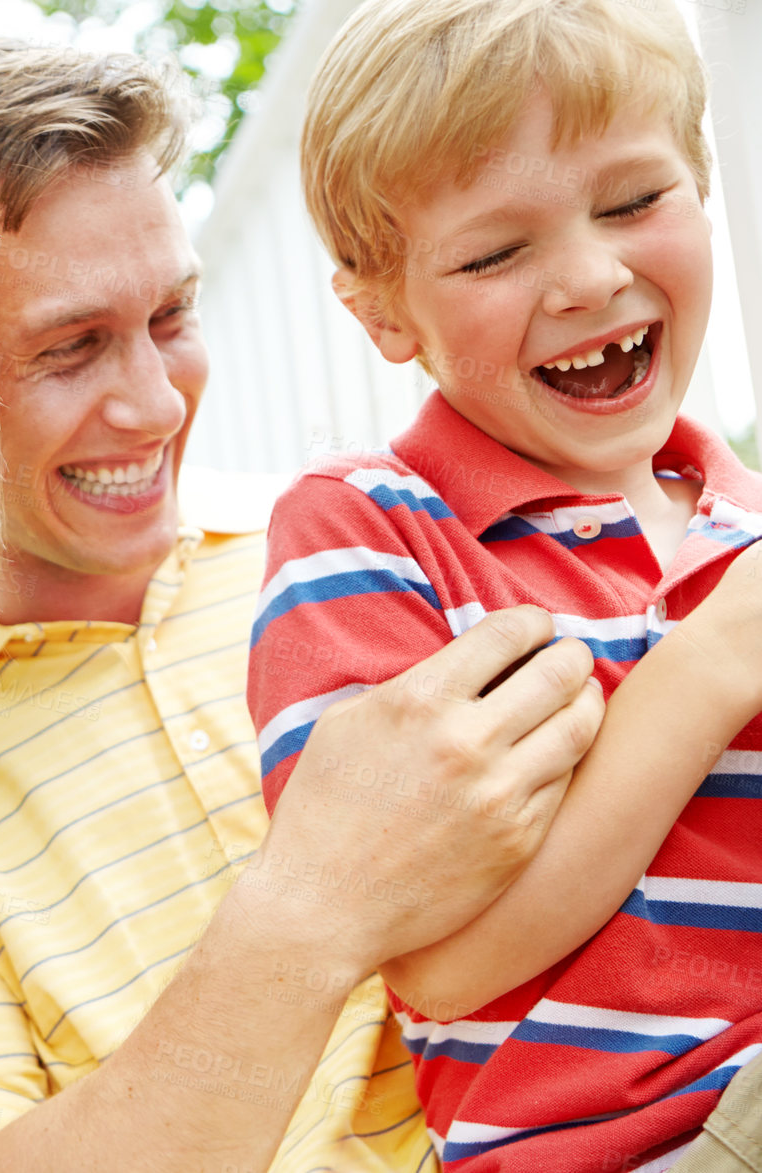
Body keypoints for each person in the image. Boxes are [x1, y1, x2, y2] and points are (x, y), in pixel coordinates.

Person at [0, 37, 606, 1173]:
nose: (155, 402)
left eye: (171, 317)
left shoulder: (368, 548)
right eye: (69, 350)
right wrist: (314, 903)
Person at [252, 0, 762, 1167]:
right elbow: (436, 960)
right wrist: (708, 667)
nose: (588, 275)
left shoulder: (740, 524)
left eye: (633, 201)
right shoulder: (367, 532)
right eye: (493, 252)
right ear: (382, 309)